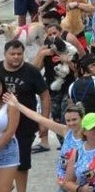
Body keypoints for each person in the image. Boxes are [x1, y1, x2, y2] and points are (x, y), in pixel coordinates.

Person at [0, 39, 49, 192]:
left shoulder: (31, 71)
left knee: (22, 163)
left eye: (19, 54)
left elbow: (45, 95)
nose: (16, 57)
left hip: (25, 124)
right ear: (5, 54)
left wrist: (44, 122)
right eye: (12, 54)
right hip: (1, 121)